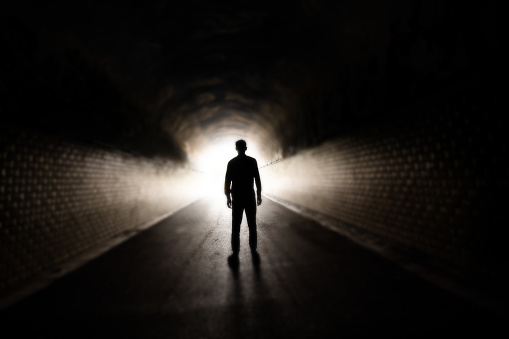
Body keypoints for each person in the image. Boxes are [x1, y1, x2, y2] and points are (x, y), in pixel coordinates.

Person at [224, 140, 262, 262]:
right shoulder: (252, 161)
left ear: (236, 148)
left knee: (236, 226)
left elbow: (227, 182)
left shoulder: (231, 163)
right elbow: (257, 179)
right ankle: (253, 249)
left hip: (237, 197)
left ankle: (235, 252)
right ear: (245, 148)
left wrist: (228, 197)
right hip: (250, 196)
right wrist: (259, 195)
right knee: (252, 224)